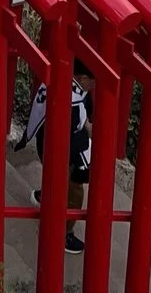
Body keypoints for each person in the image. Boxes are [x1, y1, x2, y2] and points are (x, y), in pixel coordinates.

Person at [22, 79, 91, 253]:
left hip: (46, 141)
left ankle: (46, 195)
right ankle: (64, 234)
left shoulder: (57, 82)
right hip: (62, 147)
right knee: (76, 185)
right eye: (92, 81)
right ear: (83, 78)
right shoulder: (74, 100)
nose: (94, 85)